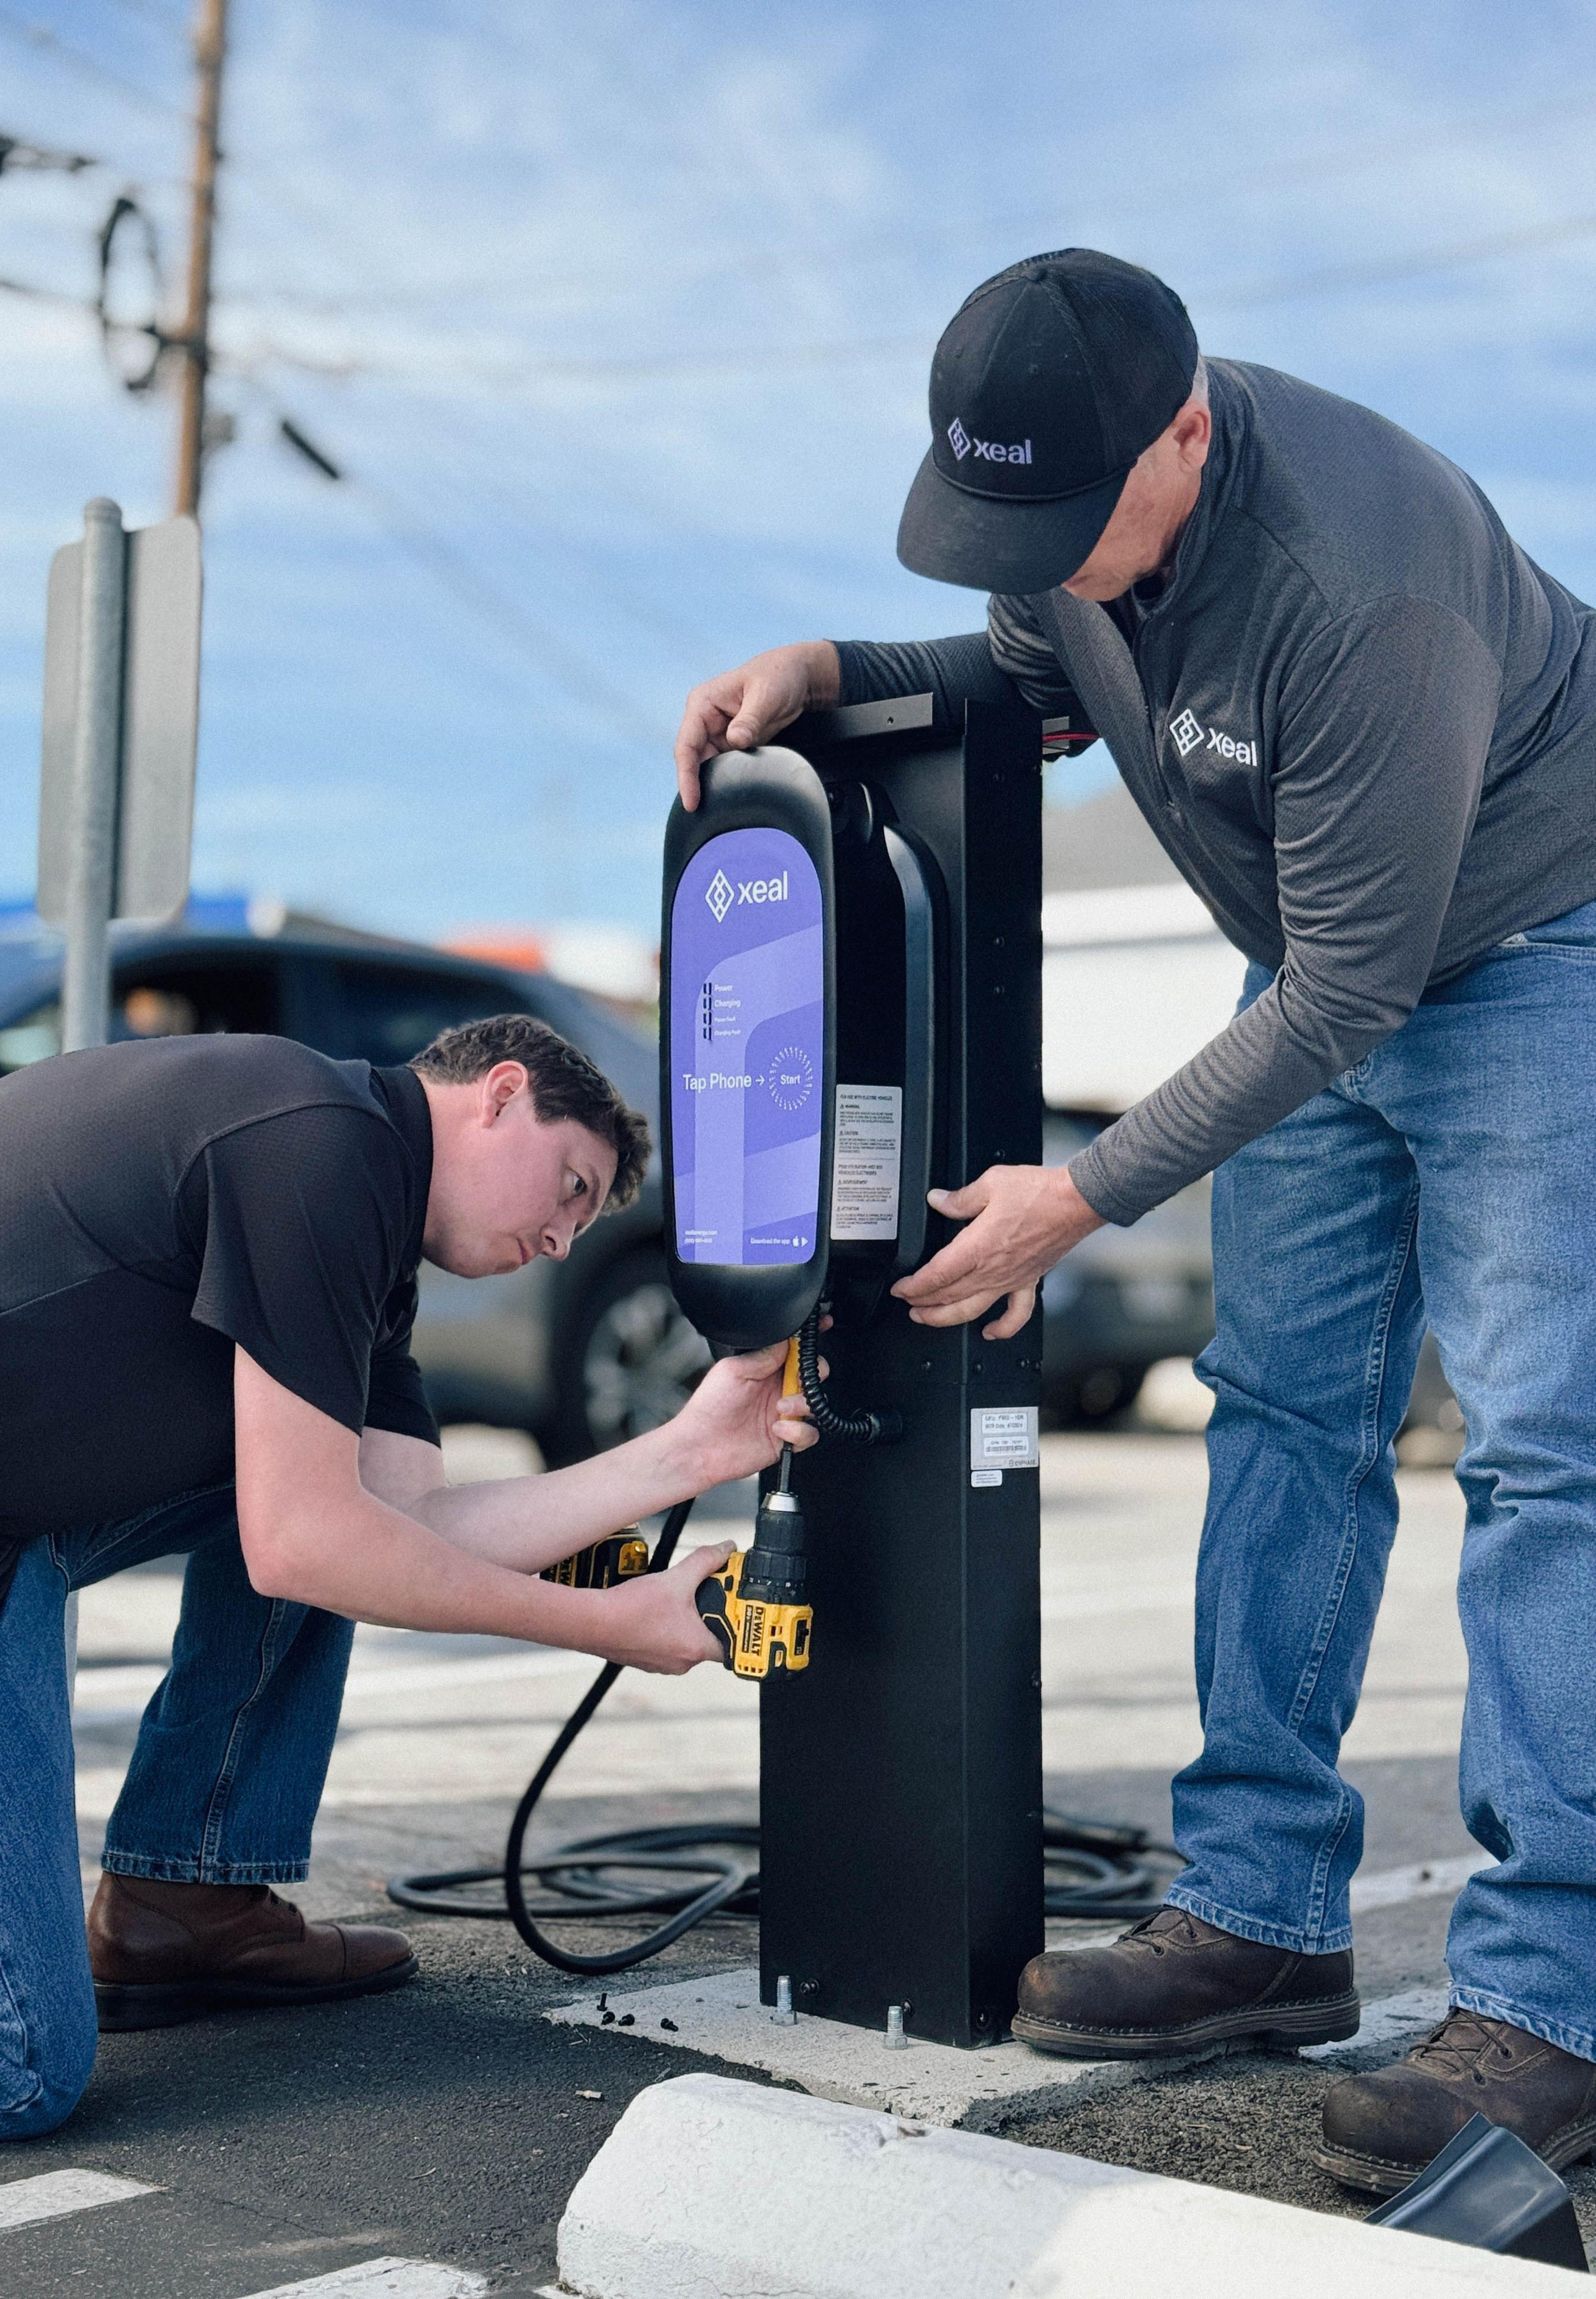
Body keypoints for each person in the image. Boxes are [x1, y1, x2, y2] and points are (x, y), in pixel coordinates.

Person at [672, 247, 1596, 2194]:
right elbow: (1022, 674)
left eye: (1067, 524)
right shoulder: (1070, 514)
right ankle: (1259, 1915)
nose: (1045, 558)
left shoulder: (1371, 583)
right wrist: (838, 672)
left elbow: (1354, 987)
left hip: (1535, 950)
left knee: (1544, 1456)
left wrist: (1074, 1200)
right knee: (1277, 1415)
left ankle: (1556, 1997)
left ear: (1185, 428)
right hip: (1319, 964)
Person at [0, 1012, 810, 2141]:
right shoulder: (315, 1149)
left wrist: (694, 1450)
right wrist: (610, 1622)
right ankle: (181, 1893)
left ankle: (189, 1894)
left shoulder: (354, 1209)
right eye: (571, 1185)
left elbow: (406, 1522)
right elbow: (307, 1544)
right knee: (6, 2058)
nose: (567, 1239)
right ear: (500, 1093)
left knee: (327, 1496)